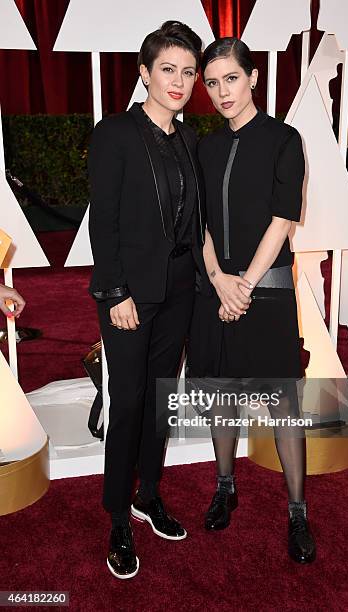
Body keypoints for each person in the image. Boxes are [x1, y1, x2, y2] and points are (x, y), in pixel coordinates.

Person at [186, 38, 316, 564]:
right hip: (216, 289)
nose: (221, 92)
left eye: (231, 79)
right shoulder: (204, 147)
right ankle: (224, 486)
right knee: (222, 394)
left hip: (267, 289)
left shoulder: (285, 138)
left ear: (253, 77)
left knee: (284, 406)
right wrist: (219, 278)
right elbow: (199, 223)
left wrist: (242, 286)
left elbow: (282, 219)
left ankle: (298, 511)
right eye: (212, 82)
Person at [88, 21, 209, 579]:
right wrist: (114, 292)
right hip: (129, 296)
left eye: (188, 72)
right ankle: (117, 515)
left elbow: (195, 221)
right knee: (129, 403)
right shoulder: (115, 133)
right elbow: (104, 223)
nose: (180, 81)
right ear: (144, 74)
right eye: (168, 69)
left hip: (179, 290)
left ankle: (148, 493)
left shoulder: (189, 139)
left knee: (161, 399)